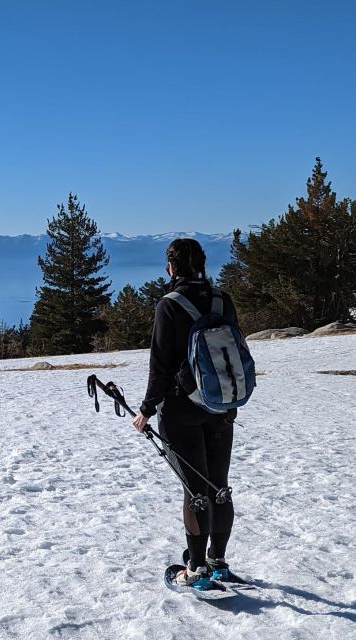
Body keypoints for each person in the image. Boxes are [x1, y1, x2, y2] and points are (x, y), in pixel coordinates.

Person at [131, 238, 239, 590]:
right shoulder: (222, 299)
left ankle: (195, 570)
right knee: (218, 486)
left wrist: (147, 410)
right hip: (222, 406)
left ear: (172, 266)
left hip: (182, 409)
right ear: (202, 264)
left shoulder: (170, 305)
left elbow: (160, 365)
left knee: (195, 491)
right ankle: (218, 561)